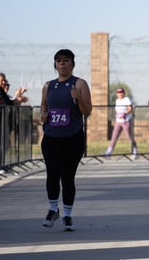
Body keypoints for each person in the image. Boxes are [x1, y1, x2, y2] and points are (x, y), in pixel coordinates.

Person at [40, 49, 92, 231]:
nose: (62, 63)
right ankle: (52, 210)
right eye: (58, 60)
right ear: (55, 64)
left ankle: (67, 214)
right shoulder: (48, 85)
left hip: (72, 138)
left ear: (72, 63)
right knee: (52, 174)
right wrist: (43, 114)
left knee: (67, 177)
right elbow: (44, 104)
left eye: (66, 60)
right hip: (51, 137)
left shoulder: (79, 84)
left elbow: (87, 111)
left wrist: (79, 99)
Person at [105, 87, 138, 159]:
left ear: (124, 93)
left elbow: (130, 108)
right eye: (118, 92)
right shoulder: (117, 101)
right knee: (114, 137)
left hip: (126, 121)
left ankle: (135, 151)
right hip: (118, 121)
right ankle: (108, 152)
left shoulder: (126, 99)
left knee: (129, 136)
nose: (120, 94)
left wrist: (125, 114)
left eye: (121, 92)